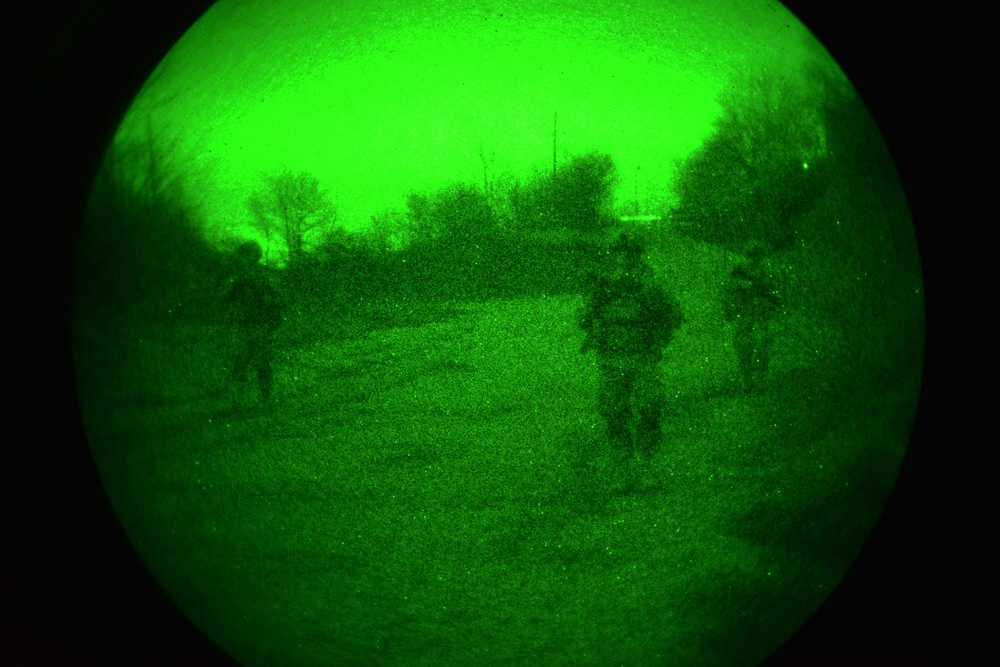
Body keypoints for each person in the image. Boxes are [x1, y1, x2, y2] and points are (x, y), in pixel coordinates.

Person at [579, 232, 683, 479]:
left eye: (629, 253)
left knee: (649, 408)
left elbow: (673, 315)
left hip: (643, 355)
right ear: (614, 256)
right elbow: (584, 319)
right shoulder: (603, 283)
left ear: (638, 255)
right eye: (618, 253)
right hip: (611, 357)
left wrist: (658, 339)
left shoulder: (652, 283)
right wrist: (592, 305)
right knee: (614, 413)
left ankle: (648, 462)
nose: (623, 257)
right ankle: (623, 467)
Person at [224, 240, 282, 406]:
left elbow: (277, 299)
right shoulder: (238, 276)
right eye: (241, 254)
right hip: (243, 325)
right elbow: (227, 299)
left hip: (260, 325)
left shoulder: (264, 274)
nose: (241, 258)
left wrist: (268, 302)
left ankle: (265, 398)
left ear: (254, 256)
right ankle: (239, 399)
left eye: (245, 254)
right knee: (241, 362)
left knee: (261, 362)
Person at [723, 241, 781, 394]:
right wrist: (741, 285)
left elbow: (773, 291)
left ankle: (761, 381)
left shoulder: (765, 271)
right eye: (751, 256)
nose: (754, 259)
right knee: (744, 348)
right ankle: (746, 382)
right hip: (745, 314)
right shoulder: (739, 270)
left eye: (757, 256)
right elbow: (728, 287)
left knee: (763, 347)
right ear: (746, 256)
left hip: (761, 313)